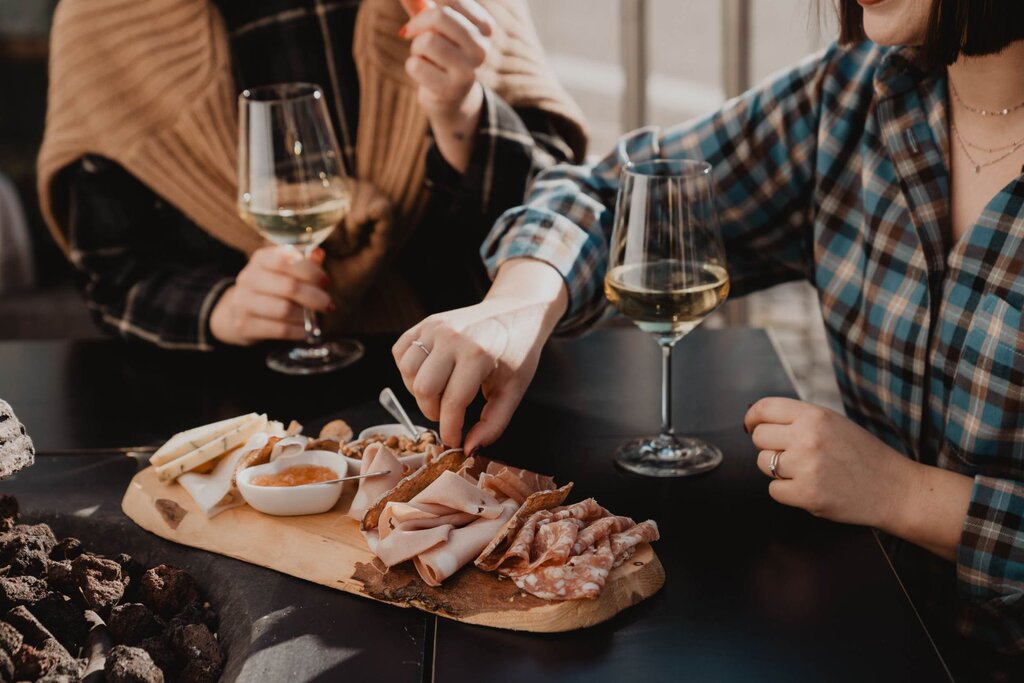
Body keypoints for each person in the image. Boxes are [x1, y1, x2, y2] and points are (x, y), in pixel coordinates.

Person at [393, 0, 1024, 677]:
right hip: (872, 634)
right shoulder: (853, 95)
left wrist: (901, 494)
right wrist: (522, 302)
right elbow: (610, 193)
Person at [36, 0, 586, 349]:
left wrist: (462, 115)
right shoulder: (102, 17)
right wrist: (220, 308)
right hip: (230, 402)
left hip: (476, 371)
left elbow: (561, 213)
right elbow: (111, 270)